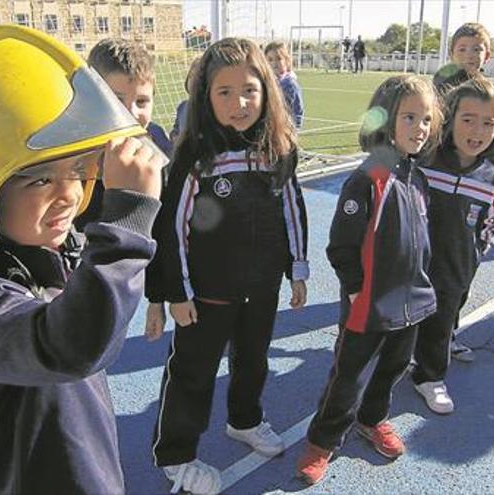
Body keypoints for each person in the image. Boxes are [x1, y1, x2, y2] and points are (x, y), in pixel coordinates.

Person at [0, 25, 164, 494]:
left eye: (79, 171)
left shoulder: (47, 263)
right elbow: (71, 346)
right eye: (41, 180)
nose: (70, 194)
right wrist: (126, 224)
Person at [149, 37, 308, 495]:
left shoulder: (278, 149)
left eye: (249, 91)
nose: (239, 103)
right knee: (192, 374)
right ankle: (175, 455)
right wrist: (175, 293)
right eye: (224, 92)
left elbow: (292, 209)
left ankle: (245, 419)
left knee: (253, 360)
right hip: (207, 292)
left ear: (267, 92)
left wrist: (297, 266)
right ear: (206, 97)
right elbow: (170, 229)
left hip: (261, 288)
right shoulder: (195, 155)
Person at [296, 74, 440, 485]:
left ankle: (372, 418)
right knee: (349, 377)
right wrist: (356, 287)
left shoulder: (417, 174)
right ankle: (322, 441)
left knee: (392, 368)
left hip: (411, 301)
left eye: (426, 119)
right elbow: (342, 244)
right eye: (409, 117)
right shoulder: (368, 176)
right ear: (385, 120)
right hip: (370, 303)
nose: (420, 128)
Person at [411, 77, 494, 414]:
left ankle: (430, 377)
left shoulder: (492, 179)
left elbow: (492, 224)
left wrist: (475, 254)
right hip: (410, 267)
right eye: (468, 119)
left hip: (454, 271)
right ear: (449, 118)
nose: (478, 130)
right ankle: (389, 366)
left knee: (440, 326)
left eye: (489, 123)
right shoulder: (424, 162)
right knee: (397, 324)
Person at [74, 38, 173, 232]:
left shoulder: (155, 161)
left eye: (142, 101)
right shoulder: (69, 160)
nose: (130, 112)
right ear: (89, 96)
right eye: (116, 100)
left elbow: (165, 232)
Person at [265, 41, 305, 129]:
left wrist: (293, 131)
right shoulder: (265, 82)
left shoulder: (290, 85)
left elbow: (298, 111)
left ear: (287, 61)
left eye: (279, 59)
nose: (274, 63)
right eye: (270, 60)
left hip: (283, 130)